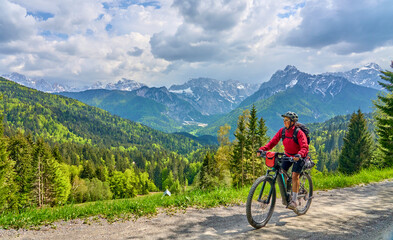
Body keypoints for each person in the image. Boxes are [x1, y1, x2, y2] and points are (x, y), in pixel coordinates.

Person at [257, 111, 309, 210]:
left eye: (287, 120)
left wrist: (299, 154)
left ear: (292, 122)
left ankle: (294, 201)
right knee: (281, 172)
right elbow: (273, 142)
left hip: (300, 156)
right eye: (284, 120)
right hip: (288, 155)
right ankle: (287, 194)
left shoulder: (299, 132)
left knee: (295, 175)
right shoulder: (283, 131)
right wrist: (263, 149)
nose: (284, 122)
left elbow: (304, 147)